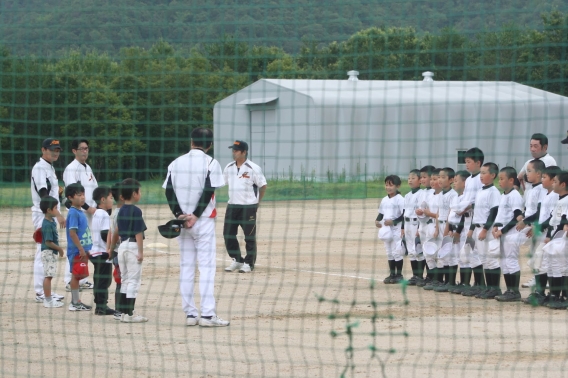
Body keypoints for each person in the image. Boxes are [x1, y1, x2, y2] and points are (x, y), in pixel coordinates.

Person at [162, 127, 229, 327]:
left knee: (187, 267)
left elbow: (169, 192)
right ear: (210, 145)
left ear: (192, 141)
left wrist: (180, 215)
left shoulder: (175, 163)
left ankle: (191, 314)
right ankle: (207, 315)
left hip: (182, 223)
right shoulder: (211, 162)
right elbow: (208, 190)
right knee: (207, 268)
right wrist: (196, 215)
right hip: (203, 221)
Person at [223, 140, 267, 273]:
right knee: (228, 234)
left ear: (244, 152)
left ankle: (249, 263)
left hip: (248, 207)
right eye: (233, 150)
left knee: (249, 236)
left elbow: (263, 186)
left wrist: (256, 203)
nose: (233, 152)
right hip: (232, 206)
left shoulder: (253, 168)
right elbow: (221, 182)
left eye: (236, 150)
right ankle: (237, 260)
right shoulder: (229, 167)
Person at [108, 179, 148, 323]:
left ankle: (124, 313)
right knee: (133, 281)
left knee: (124, 280)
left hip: (122, 247)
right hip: (132, 247)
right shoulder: (136, 210)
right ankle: (130, 314)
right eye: (139, 191)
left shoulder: (121, 210)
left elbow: (116, 231)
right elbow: (138, 232)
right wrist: (141, 252)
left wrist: (112, 249)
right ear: (134, 194)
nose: (140, 194)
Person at [30, 138, 65, 303]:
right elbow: (44, 195)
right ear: (43, 150)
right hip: (42, 213)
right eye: (52, 149)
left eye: (57, 150)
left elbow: (52, 194)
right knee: (42, 251)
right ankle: (40, 292)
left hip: (49, 213)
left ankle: (46, 290)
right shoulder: (39, 168)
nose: (55, 152)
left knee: (47, 251)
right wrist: (56, 213)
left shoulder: (49, 167)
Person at [522, 166, 560, 306]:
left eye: (545, 177)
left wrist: (539, 227)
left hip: (548, 234)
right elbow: (541, 214)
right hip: (541, 234)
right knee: (538, 263)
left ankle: (548, 293)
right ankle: (540, 292)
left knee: (546, 264)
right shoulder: (546, 194)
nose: (542, 180)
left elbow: (552, 217)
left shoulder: (555, 196)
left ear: (554, 180)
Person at [63, 138, 97, 291]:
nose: (85, 151)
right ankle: (69, 280)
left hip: (89, 213)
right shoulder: (72, 168)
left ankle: (81, 279)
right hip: (79, 212)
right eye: (82, 148)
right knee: (75, 246)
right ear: (74, 151)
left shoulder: (87, 167)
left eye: (86, 148)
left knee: (86, 244)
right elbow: (72, 191)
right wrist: (88, 207)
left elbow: (94, 188)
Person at [466, 162, 500, 299]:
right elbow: (476, 213)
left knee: (491, 259)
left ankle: (495, 288)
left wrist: (485, 229)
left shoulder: (494, 192)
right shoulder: (480, 191)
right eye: (480, 173)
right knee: (484, 259)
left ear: (492, 175)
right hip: (478, 228)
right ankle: (488, 287)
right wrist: (471, 229)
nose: (481, 175)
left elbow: (493, 212)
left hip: (487, 229)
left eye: (484, 173)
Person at [492, 167, 524, 302]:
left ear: (511, 180)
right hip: (502, 234)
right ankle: (509, 290)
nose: (499, 181)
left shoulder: (515, 195)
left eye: (502, 178)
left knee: (511, 261)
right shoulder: (503, 195)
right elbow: (501, 214)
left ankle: (515, 291)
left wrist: (502, 230)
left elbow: (516, 217)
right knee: (504, 262)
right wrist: (495, 226)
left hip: (511, 234)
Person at [457, 148, 486, 297]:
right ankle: (475, 283)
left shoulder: (481, 179)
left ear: (478, 163)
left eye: (469, 162)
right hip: (467, 219)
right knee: (468, 253)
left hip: (476, 220)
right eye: (466, 162)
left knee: (476, 252)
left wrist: (466, 207)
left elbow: (479, 202)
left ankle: (481, 284)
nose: (466, 165)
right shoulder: (468, 179)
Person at [517, 160, 548, 289]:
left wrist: (528, 222)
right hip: (531, 224)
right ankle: (537, 278)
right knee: (533, 253)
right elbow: (529, 209)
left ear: (539, 173)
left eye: (530, 171)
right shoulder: (531, 189)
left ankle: (542, 281)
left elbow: (540, 211)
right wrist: (523, 216)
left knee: (539, 256)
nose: (527, 174)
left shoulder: (542, 190)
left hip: (539, 227)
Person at [541, 171, 568, 309]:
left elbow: (564, 221)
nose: (553, 183)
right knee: (552, 267)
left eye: (555, 182)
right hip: (555, 238)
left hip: (562, 238)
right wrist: (549, 236)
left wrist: (553, 237)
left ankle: (563, 297)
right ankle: (554, 294)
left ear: (563, 184)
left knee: (562, 268)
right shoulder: (559, 199)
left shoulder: (567, 200)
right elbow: (553, 221)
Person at [90, 186, 117, 316]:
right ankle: (101, 306)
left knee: (98, 279)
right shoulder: (104, 214)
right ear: (102, 199)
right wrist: (113, 245)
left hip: (95, 252)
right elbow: (104, 234)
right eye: (110, 198)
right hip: (102, 252)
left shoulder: (96, 213)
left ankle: (99, 305)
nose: (112, 201)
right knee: (104, 281)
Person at [65, 183, 93, 311]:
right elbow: (72, 233)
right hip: (77, 251)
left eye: (83, 194)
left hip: (82, 250)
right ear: (70, 197)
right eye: (79, 195)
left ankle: (76, 301)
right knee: (76, 276)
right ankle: (75, 303)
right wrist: (81, 249)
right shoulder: (73, 213)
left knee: (78, 275)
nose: (82, 197)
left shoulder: (79, 211)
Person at [432, 167, 458, 292]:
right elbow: (438, 212)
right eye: (439, 177)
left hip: (448, 225)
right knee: (441, 254)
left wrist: (448, 229)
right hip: (441, 225)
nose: (440, 180)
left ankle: (450, 282)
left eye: (443, 177)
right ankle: (443, 281)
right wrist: (437, 228)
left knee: (450, 254)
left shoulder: (453, 195)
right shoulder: (440, 194)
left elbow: (451, 213)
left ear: (451, 180)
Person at [448, 170, 474, 294]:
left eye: (456, 180)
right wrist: (451, 230)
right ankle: (462, 283)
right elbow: (452, 216)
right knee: (459, 257)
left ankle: (466, 283)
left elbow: (463, 217)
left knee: (465, 257)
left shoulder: (467, 198)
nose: (454, 183)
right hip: (455, 231)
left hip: (463, 231)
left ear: (465, 182)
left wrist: (457, 231)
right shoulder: (456, 196)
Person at [375, 175, 404, 284]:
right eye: (387, 185)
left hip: (396, 229)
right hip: (386, 230)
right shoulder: (384, 199)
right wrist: (377, 221)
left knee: (397, 252)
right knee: (389, 252)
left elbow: (404, 215)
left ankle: (399, 275)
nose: (388, 187)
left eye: (391, 185)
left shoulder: (400, 199)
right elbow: (381, 214)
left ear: (398, 186)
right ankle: (392, 274)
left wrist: (394, 222)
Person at [40, 196, 65, 308]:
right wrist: (59, 249)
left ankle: (48, 298)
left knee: (49, 275)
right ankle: (48, 300)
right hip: (48, 252)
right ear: (49, 210)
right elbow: (48, 242)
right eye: (55, 208)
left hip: (50, 252)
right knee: (48, 276)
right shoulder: (47, 224)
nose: (57, 210)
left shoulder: (51, 221)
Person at [412, 165, 435, 285]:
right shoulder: (422, 192)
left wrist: (425, 212)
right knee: (425, 252)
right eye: (421, 177)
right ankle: (428, 276)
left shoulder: (434, 192)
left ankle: (433, 276)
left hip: (431, 224)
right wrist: (418, 212)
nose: (422, 180)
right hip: (422, 225)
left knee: (432, 251)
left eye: (424, 177)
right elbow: (421, 208)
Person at [421, 168, 443, 290]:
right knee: (428, 253)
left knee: (439, 254)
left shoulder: (443, 196)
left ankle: (440, 280)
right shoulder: (430, 195)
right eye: (433, 179)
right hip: (429, 225)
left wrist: (431, 214)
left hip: (438, 226)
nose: (433, 182)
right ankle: (434, 277)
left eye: (436, 179)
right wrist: (422, 212)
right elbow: (425, 212)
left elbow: (441, 215)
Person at [401, 169, 422, 285]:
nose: (410, 180)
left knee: (417, 250)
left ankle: (420, 276)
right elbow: (405, 212)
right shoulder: (407, 195)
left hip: (416, 223)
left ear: (419, 181)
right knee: (410, 251)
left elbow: (421, 213)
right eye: (409, 178)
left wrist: (419, 228)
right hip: (407, 223)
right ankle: (415, 275)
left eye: (413, 178)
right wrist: (403, 228)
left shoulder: (421, 194)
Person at [109, 182, 124, 320]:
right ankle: (120, 310)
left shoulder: (115, 212)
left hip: (117, 251)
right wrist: (112, 249)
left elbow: (110, 232)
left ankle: (121, 309)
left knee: (122, 280)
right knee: (121, 281)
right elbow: (116, 233)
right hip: (120, 251)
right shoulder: (121, 213)